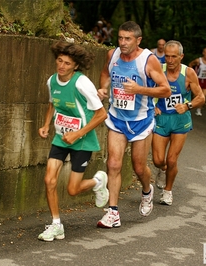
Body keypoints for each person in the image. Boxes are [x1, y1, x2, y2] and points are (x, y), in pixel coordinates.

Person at [96, 21, 171, 228]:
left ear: (138, 40)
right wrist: (103, 88)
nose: (122, 42)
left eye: (127, 39)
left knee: (139, 167)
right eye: (120, 38)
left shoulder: (149, 60)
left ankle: (147, 191)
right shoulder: (112, 55)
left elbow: (165, 90)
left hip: (141, 121)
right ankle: (113, 213)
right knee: (113, 163)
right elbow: (105, 74)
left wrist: (140, 89)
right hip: (117, 118)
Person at [37, 41, 109, 241]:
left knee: (73, 189)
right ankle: (56, 224)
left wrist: (77, 134)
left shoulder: (81, 83)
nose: (62, 66)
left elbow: (101, 115)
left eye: (67, 63)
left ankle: (98, 181)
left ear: (75, 66)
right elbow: (52, 104)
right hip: (61, 138)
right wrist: (46, 125)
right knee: (49, 180)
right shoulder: (52, 81)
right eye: (59, 61)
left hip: (82, 141)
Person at [152, 40, 205, 205]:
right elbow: (145, 90)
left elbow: (201, 98)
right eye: (167, 56)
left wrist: (187, 105)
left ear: (181, 56)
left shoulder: (188, 73)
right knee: (158, 160)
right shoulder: (158, 69)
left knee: (172, 159)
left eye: (174, 56)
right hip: (161, 118)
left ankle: (167, 191)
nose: (170, 60)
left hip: (180, 121)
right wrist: (152, 106)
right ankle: (163, 169)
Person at [188, 47, 206, 116]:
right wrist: (193, 73)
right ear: (203, 53)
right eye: (205, 53)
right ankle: (190, 106)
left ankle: (199, 109)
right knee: (196, 95)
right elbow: (190, 65)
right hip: (198, 79)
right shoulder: (198, 60)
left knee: (203, 96)